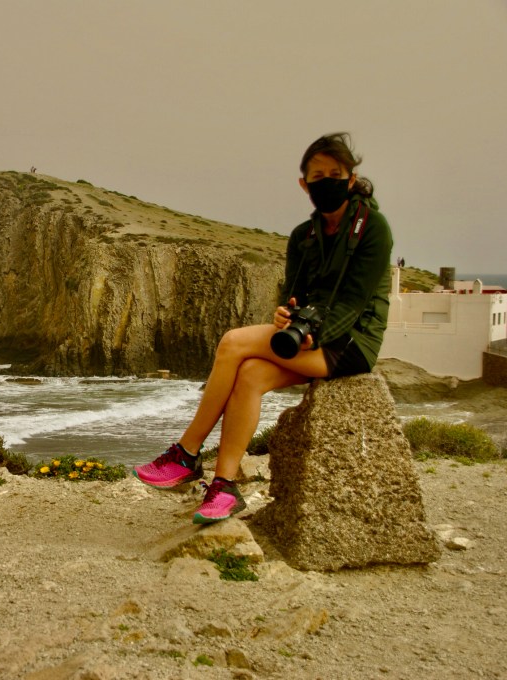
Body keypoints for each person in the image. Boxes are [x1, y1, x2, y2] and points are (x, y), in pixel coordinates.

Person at [133, 132, 393, 524]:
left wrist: (312, 335)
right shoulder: (302, 237)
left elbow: (354, 302)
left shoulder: (373, 228)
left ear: (351, 179)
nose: (328, 182)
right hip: (309, 338)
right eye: (318, 176)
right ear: (304, 184)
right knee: (250, 375)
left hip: (352, 342)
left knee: (233, 343)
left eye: (336, 174)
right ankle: (225, 487)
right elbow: (293, 294)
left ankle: (186, 454)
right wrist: (286, 317)